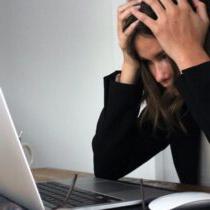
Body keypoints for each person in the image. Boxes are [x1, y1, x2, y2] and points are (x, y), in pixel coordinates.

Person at [92, 0, 210, 185]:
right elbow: (108, 167)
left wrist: (190, 54)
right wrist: (130, 63)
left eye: (164, 55)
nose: (159, 76)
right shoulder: (176, 105)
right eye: (147, 62)